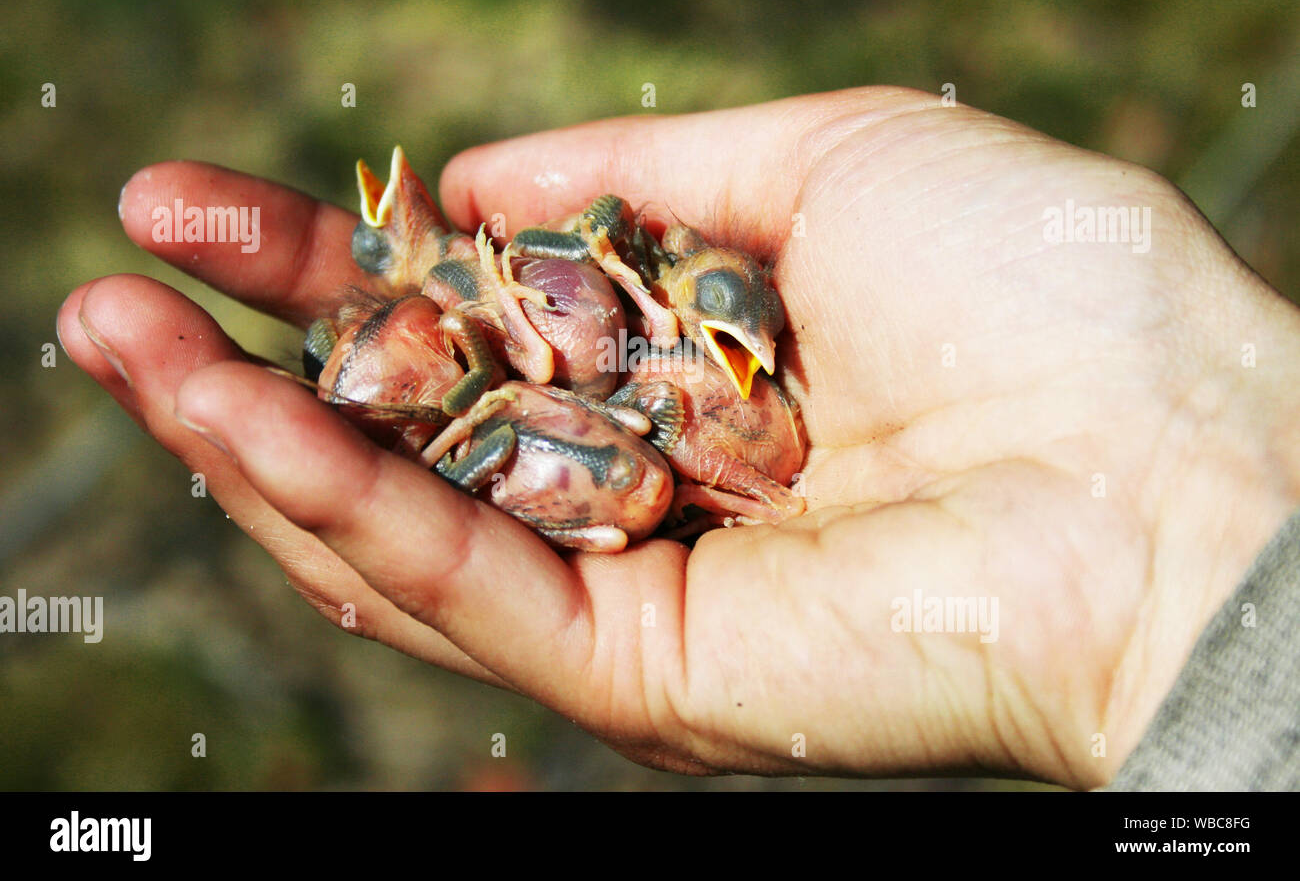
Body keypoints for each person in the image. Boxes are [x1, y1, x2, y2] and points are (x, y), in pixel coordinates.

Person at [58, 87, 1300, 789]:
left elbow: (611, 389)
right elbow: (585, 410)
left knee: (621, 472)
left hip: (606, 415)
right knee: (608, 472)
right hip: (571, 416)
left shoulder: (616, 369)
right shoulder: (518, 347)